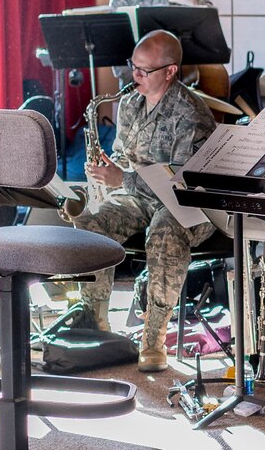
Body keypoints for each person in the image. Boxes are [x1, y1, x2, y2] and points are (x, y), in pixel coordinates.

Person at [71, 30, 217, 370]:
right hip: (138, 198)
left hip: (188, 207)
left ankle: (154, 337)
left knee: (164, 231)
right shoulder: (130, 102)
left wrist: (123, 178)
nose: (132, 76)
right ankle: (95, 320)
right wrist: (109, 168)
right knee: (90, 223)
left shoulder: (191, 113)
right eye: (132, 66)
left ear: (170, 71)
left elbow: (181, 185)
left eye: (143, 70)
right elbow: (125, 156)